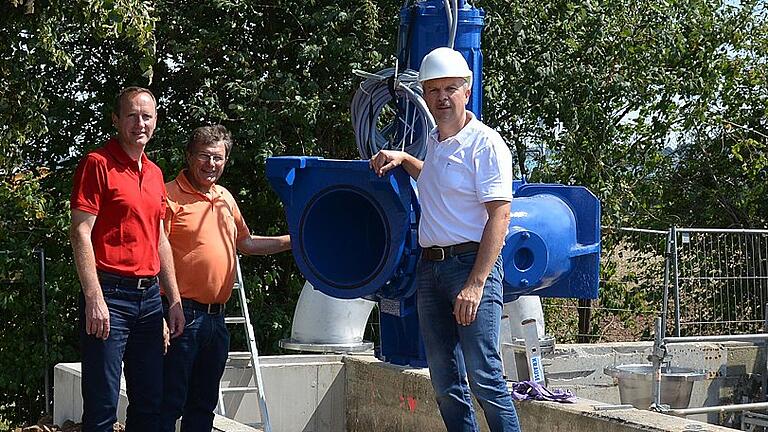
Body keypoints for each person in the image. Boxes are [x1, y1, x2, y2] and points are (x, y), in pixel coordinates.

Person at [370, 47, 521, 432]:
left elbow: (499, 216)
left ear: (467, 91)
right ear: (425, 95)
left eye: (450, 89)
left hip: (469, 267)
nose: (442, 98)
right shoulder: (435, 142)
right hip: (431, 270)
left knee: (484, 377)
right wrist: (405, 159)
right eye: (433, 90)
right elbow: (437, 184)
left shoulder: (485, 144)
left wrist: (475, 283)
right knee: (444, 382)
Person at [160, 125, 291, 432]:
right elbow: (154, 254)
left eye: (218, 158)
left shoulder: (225, 197)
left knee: (203, 406)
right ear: (189, 157)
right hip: (181, 315)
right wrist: (167, 309)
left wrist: (293, 241)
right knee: (169, 403)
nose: (211, 164)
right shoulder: (168, 195)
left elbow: (246, 243)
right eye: (204, 156)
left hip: (216, 320)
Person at [70, 86, 185, 432]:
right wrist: (93, 298)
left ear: (155, 122)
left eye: (146, 116)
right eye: (132, 115)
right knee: (103, 405)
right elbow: (80, 233)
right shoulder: (97, 164)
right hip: (110, 296)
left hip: (149, 302)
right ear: (117, 120)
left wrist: (174, 301)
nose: (140, 123)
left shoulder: (154, 174)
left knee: (149, 403)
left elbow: (159, 239)